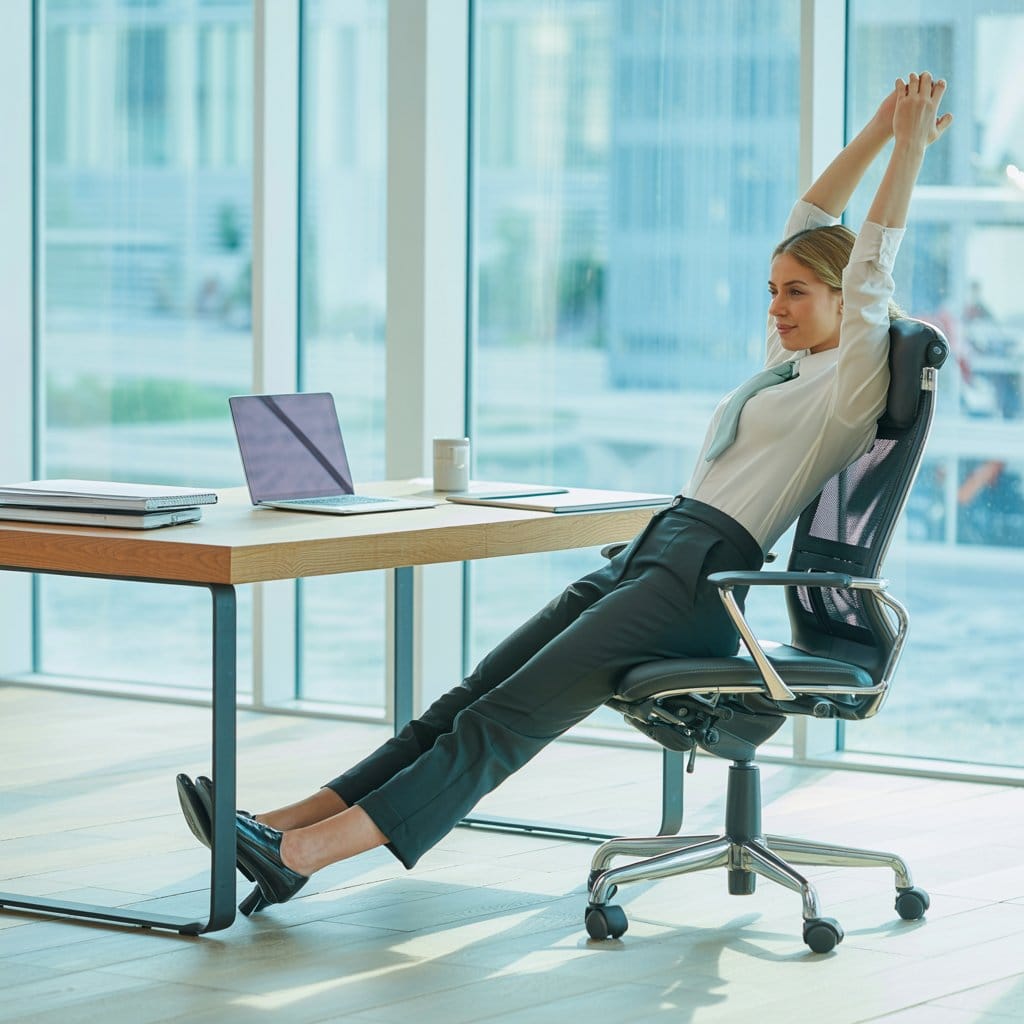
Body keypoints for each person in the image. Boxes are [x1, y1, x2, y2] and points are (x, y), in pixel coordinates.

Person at [177, 72, 953, 916]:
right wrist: (878, 129)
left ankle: (300, 856)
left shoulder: (852, 378)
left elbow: (870, 257)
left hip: (702, 579)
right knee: (465, 699)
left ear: (845, 302)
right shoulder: (790, 367)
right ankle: (276, 824)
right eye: (773, 290)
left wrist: (908, 153)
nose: (777, 307)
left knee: (504, 719)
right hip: (654, 556)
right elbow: (812, 219)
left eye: (796, 292)